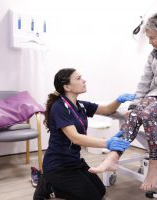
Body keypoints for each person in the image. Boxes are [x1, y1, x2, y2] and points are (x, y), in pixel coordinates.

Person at [89, 13, 157, 191]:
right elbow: (144, 82)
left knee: (148, 114)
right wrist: (134, 105)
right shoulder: (154, 55)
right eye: (148, 37)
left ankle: (155, 163)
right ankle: (114, 156)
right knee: (133, 113)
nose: (150, 42)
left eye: (152, 37)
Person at [33, 68, 135, 200]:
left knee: (100, 190)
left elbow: (107, 109)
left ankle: (53, 187)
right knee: (92, 197)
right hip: (58, 166)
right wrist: (107, 143)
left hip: (74, 161)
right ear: (67, 87)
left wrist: (119, 100)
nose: (84, 80)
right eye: (78, 78)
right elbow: (75, 138)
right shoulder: (59, 107)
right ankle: (48, 184)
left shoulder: (80, 105)